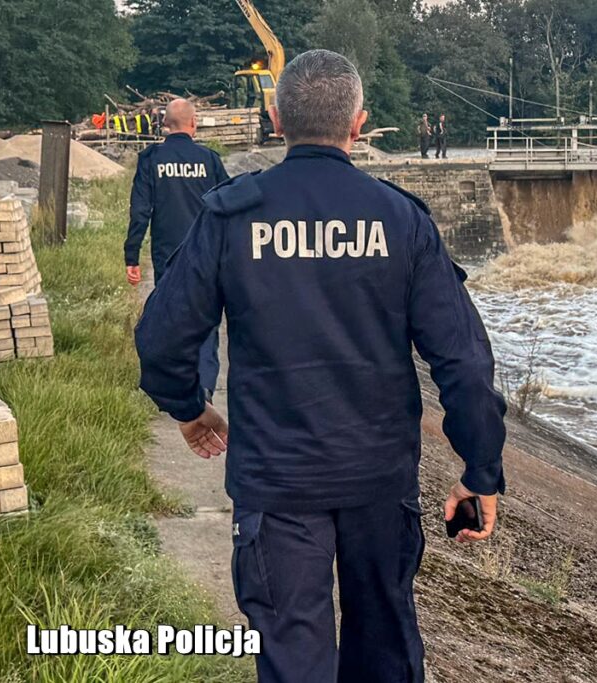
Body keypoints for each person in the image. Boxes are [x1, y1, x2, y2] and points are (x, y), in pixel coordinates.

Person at [134, 49, 506, 683]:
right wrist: (480, 471)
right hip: (379, 481)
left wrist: (190, 409)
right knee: (385, 647)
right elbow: (465, 363)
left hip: (275, 484)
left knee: (292, 655)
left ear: (276, 119)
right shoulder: (402, 221)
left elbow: (162, 337)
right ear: (358, 125)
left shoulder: (231, 213)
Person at [125, 98, 228, 401]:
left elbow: (140, 211)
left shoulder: (151, 159)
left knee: (172, 317)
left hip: (167, 254)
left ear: (164, 124)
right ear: (193, 124)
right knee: (207, 317)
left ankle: (177, 384)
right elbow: (227, 206)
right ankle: (204, 384)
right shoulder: (209, 160)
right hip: (207, 252)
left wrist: (132, 256)